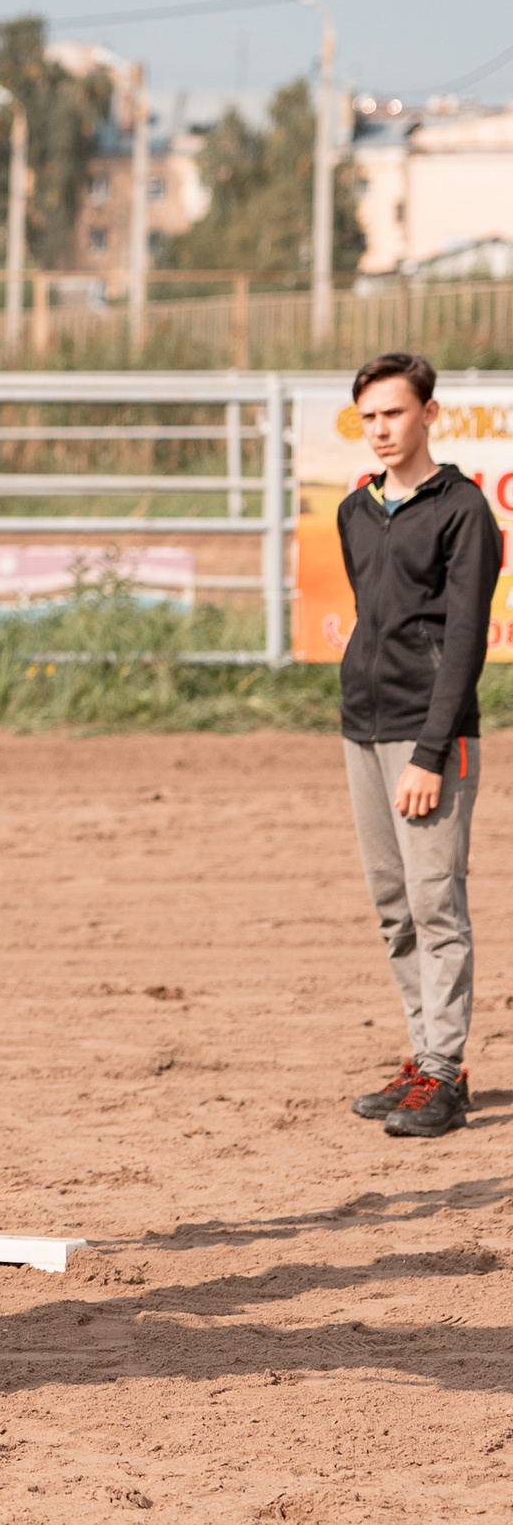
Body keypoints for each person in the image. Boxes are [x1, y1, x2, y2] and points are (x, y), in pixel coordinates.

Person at [339, 352, 500, 1138]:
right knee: (394, 906)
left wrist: (432, 753)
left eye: (394, 413)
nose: (380, 429)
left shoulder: (464, 510)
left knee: (437, 904)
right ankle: (422, 1057)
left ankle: (444, 1072)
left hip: (430, 734)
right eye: (368, 416)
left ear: (429, 414)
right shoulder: (356, 509)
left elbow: (465, 638)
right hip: (362, 729)